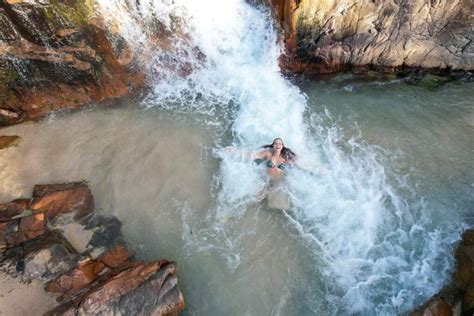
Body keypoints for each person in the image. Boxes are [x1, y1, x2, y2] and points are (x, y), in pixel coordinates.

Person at [227, 138, 297, 180]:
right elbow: (252, 155)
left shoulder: (285, 156)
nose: (278, 145)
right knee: (257, 199)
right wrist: (236, 151)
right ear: (273, 145)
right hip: (267, 180)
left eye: (280, 144)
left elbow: (296, 163)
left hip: (280, 181)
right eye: (276, 143)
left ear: (282, 146)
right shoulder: (267, 154)